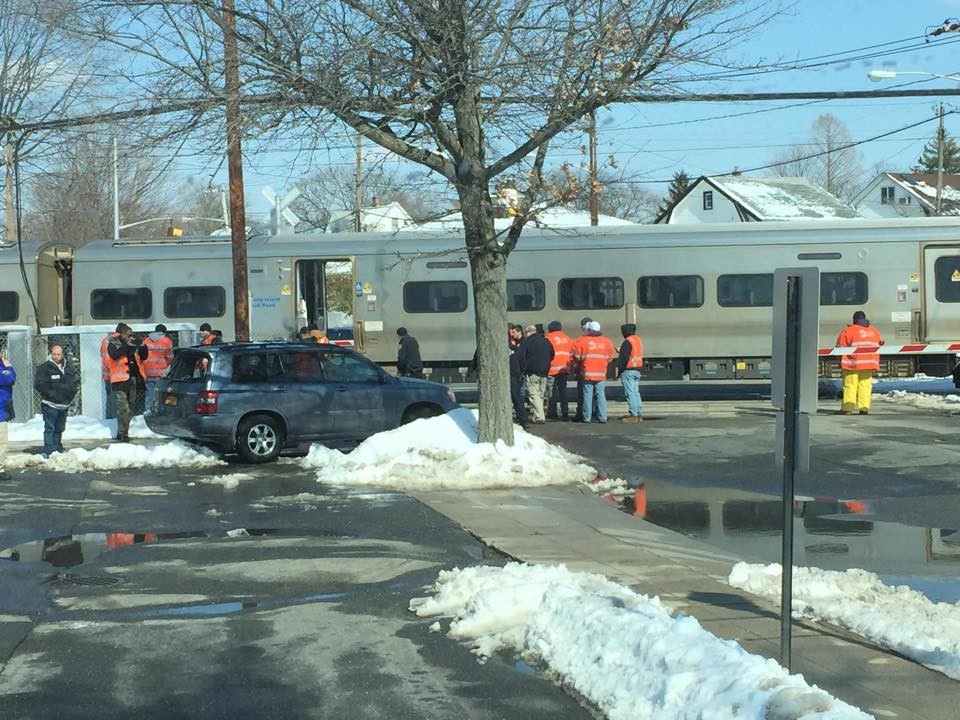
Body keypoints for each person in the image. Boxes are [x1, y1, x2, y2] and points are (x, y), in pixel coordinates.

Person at [836, 310, 884, 415]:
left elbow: (840, 347)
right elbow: (881, 343)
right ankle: (864, 408)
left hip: (852, 363)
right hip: (869, 363)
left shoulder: (848, 330)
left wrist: (839, 361)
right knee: (865, 386)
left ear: (854, 320)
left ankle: (848, 409)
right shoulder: (874, 330)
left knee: (850, 385)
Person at [33, 345, 78, 456]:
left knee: (59, 428)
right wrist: (51, 393)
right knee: (50, 428)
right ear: (51, 354)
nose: (56, 356)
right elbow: (39, 384)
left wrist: (71, 394)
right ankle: (50, 450)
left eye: (58, 354)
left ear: (62, 354)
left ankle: (58, 447)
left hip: (64, 405)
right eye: (54, 354)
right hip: (50, 404)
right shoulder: (44, 368)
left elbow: (74, 382)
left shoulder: (68, 367)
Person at [106, 323, 148, 442]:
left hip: (133, 379)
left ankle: (125, 430)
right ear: (122, 334)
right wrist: (128, 346)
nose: (130, 337)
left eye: (132, 335)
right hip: (120, 380)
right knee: (122, 408)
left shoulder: (133, 343)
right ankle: (122, 433)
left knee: (130, 407)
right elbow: (114, 355)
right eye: (128, 335)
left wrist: (142, 345)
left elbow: (144, 356)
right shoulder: (113, 344)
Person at [573, 321, 615, 424]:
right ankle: (603, 417)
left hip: (587, 373)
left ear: (589, 330)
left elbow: (577, 357)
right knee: (601, 395)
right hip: (601, 373)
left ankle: (587, 417)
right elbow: (610, 357)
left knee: (587, 395)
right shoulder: (606, 341)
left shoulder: (583, 341)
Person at [517, 324, 553, 424]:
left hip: (532, 371)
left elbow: (521, 356)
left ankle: (539, 416)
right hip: (545, 371)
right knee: (540, 394)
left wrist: (523, 367)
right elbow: (552, 354)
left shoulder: (527, 342)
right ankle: (537, 414)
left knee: (533, 394)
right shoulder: (546, 341)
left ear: (528, 332)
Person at [545, 321, 573, 420]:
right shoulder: (567, 338)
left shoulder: (548, 338)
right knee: (563, 391)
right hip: (564, 369)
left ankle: (552, 412)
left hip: (552, 368)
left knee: (552, 391)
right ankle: (565, 411)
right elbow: (572, 352)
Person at [142, 324, 174, 410]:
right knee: (162, 396)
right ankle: (160, 415)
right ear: (164, 332)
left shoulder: (146, 341)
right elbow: (170, 357)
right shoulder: (166, 341)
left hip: (148, 372)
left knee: (149, 396)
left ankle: (147, 414)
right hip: (162, 373)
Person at [617, 323, 644, 423]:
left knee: (630, 393)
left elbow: (623, 358)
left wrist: (619, 371)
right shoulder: (637, 340)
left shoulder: (627, 342)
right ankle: (639, 413)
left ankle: (633, 415)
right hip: (637, 370)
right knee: (636, 393)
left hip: (628, 371)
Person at [570, 317, 593, 421]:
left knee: (582, 394)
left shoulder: (579, 341)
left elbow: (575, 357)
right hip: (598, 372)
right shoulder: (601, 340)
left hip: (583, 371)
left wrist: (574, 368)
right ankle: (596, 413)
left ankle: (582, 414)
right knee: (597, 394)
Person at [508, 324, 529, 428]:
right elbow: (522, 360)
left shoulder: (514, 346)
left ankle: (522, 419)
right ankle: (524, 420)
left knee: (515, 398)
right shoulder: (515, 347)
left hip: (512, 375)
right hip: (514, 375)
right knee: (517, 398)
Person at [0, 352, 15, 481]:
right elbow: (8, 379)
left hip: (2, 410)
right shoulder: (4, 368)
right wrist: (9, 367)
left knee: (2, 442)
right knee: (2, 442)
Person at [100, 329, 119, 419]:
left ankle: (109, 417)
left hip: (106, 375)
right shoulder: (112, 343)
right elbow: (109, 359)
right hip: (113, 375)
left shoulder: (104, 341)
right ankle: (114, 418)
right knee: (114, 398)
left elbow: (102, 355)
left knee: (109, 397)